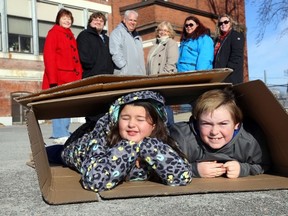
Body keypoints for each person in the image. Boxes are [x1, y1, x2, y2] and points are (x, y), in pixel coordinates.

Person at [56, 90, 192, 192]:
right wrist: (129, 147)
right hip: (77, 145)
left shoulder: (161, 142)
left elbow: (182, 176)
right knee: (58, 153)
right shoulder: (101, 140)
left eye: (140, 119)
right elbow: (95, 182)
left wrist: (146, 146)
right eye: (125, 118)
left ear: (154, 125)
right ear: (117, 120)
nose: (131, 124)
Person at [169, 88, 271, 178]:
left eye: (223, 124)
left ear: (236, 124)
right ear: (197, 122)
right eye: (206, 123)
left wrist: (242, 169)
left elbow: (263, 165)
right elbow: (163, 166)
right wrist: (192, 169)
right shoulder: (182, 138)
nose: (214, 132)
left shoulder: (249, 140)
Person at [42, 8, 83, 144]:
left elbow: (75, 58)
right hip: (59, 77)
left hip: (70, 77)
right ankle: (59, 133)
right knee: (59, 105)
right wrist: (53, 79)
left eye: (69, 18)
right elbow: (49, 56)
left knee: (67, 105)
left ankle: (64, 131)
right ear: (58, 19)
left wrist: (79, 77)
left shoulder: (70, 35)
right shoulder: (54, 33)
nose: (67, 20)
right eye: (64, 17)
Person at [146, 21, 178, 127]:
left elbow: (171, 64)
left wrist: (161, 79)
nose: (162, 32)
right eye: (160, 30)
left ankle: (170, 131)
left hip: (163, 81)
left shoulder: (171, 43)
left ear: (169, 32)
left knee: (165, 106)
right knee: (157, 107)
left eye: (165, 30)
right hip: (153, 82)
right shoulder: (155, 45)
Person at [77, 12, 114, 79]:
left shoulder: (107, 39)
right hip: (91, 77)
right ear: (90, 22)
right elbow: (83, 57)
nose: (98, 22)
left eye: (101, 21)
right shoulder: (84, 35)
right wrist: (94, 68)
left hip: (107, 76)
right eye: (96, 20)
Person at [109, 10, 146, 75]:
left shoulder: (138, 38)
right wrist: (124, 68)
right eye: (130, 20)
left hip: (140, 76)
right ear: (124, 20)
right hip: (125, 76)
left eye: (135, 20)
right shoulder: (117, 33)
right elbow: (115, 53)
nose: (133, 22)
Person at [213, 14, 245, 84]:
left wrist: (227, 70)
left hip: (230, 78)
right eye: (220, 23)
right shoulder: (218, 40)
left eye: (226, 22)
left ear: (231, 23)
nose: (223, 24)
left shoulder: (236, 34)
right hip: (219, 77)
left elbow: (236, 55)